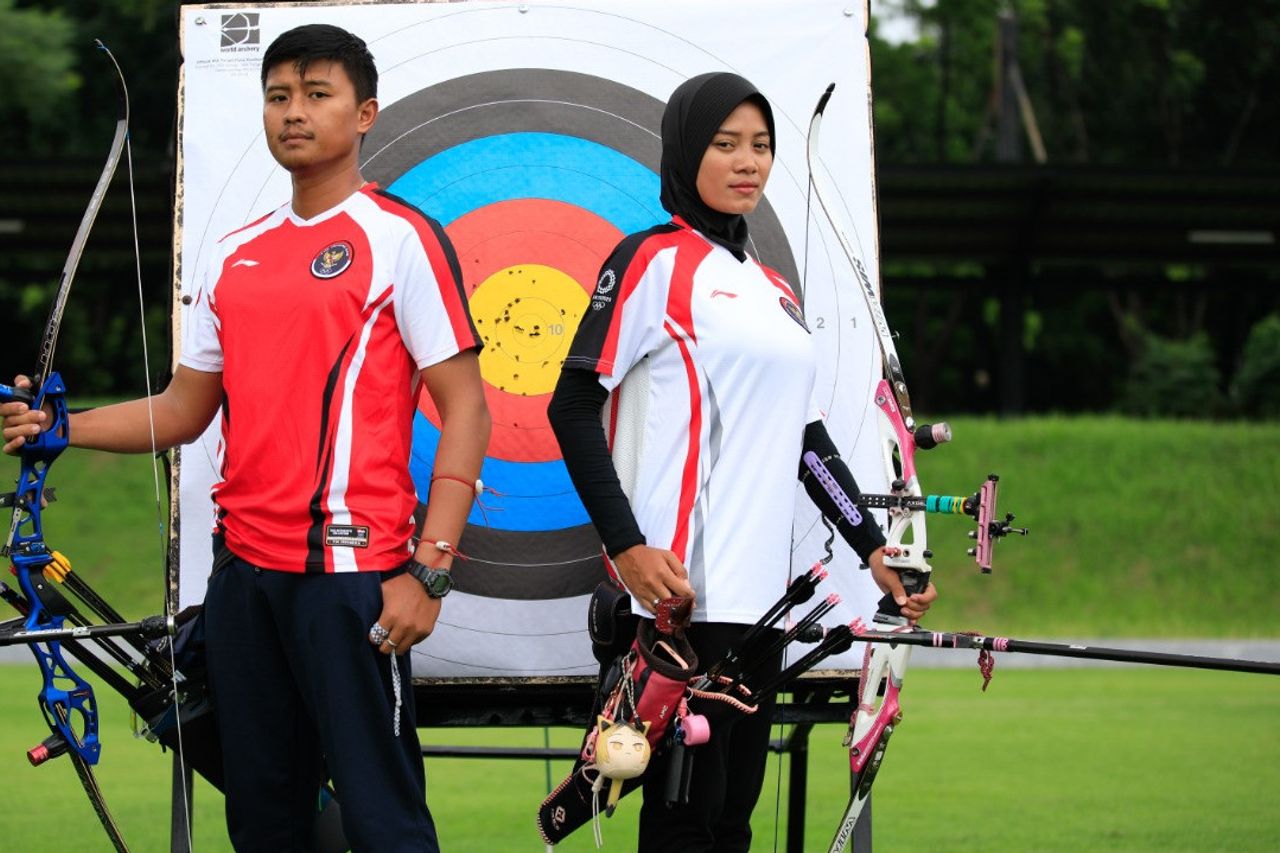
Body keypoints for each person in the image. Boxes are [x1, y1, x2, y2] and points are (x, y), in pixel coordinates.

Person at [2, 24, 489, 853]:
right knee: (264, 817)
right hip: (246, 582)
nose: (293, 112)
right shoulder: (236, 256)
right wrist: (64, 426)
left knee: (383, 817)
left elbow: (467, 407)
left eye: (317, 93)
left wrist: (430, 569)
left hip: (354, 580)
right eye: (278, 96)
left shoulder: (401, 240)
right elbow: (184, 409)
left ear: (365, 113)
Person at [546, 72, 936, 851]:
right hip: (679, 600)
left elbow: (807, 441)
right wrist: (629, 547)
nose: (746, 161)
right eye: (725, 144)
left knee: (732, 821)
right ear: (686, 151)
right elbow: (571, 403)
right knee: (683, 821)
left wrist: (872, 548)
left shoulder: (773, 290)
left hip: (760, 610)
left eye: (760, 146)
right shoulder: (652, 260)